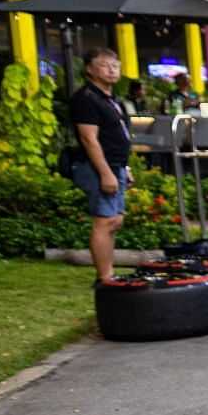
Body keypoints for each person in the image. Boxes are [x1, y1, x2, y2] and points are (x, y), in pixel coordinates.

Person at [69, 46, 134, 283]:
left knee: (115, 220)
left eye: (115, 65)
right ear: (89, 69)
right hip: (98, 167)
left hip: (116, 165)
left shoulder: (109, 99)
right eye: (105, 65)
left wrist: (124, 168)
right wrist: (105, 173)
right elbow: (89, 139)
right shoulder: (86, 99)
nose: (112, 70)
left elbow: (118, 136)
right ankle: (105, 277)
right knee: (104, 220)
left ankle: (109, 272)